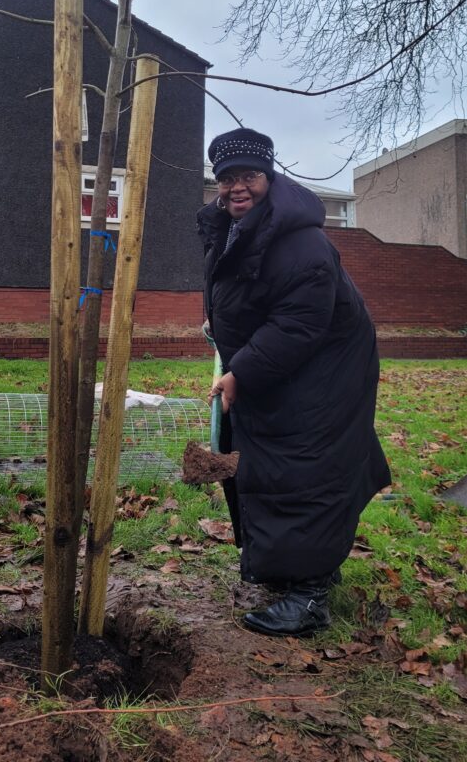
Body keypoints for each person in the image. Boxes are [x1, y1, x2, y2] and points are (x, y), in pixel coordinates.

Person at [197, 128, 391, 636]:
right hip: (283, 366)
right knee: (265, 461)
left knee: (304, 469)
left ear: (270, 178)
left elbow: (299, 323)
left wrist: (243, 370)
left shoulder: (301, 241)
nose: (238, 187)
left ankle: (310, 597)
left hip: (323, 371)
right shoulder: (237, 228)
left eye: (249, 176)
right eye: (227, 178)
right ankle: (288, 570)